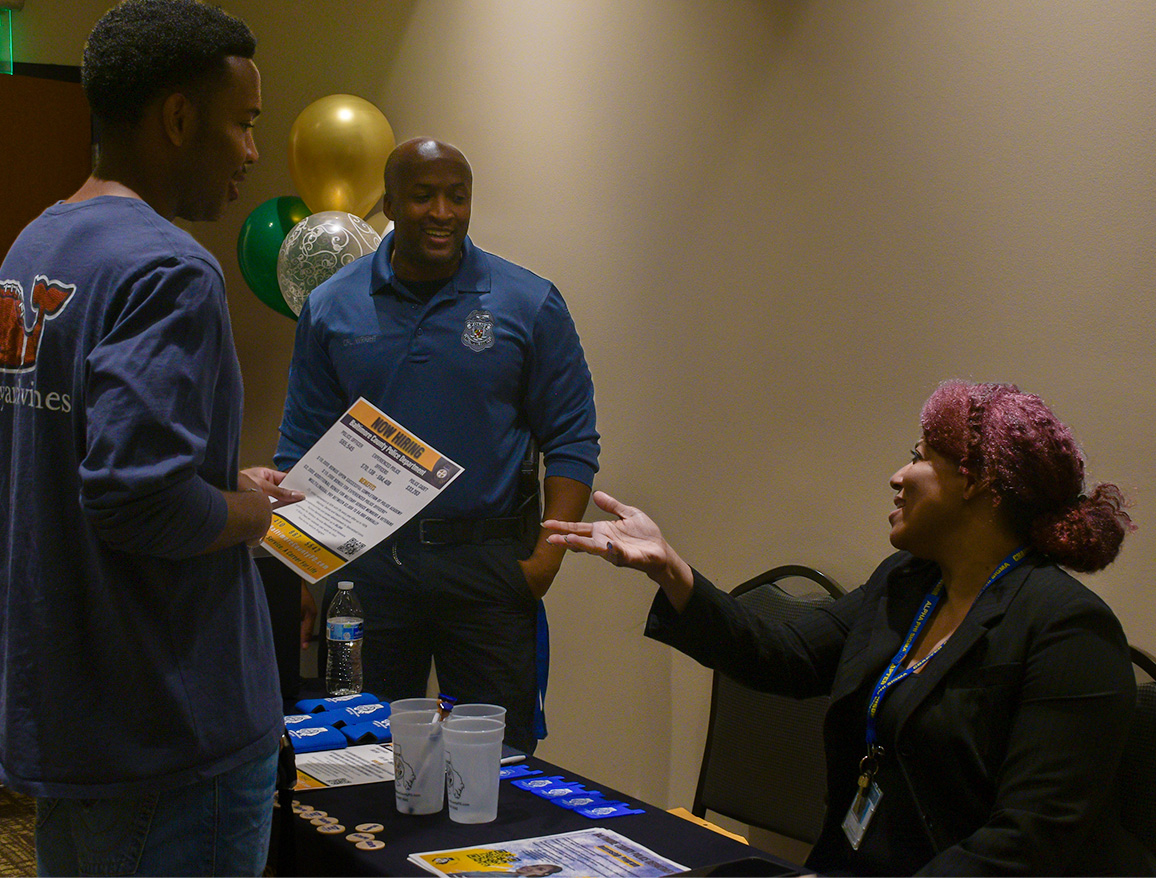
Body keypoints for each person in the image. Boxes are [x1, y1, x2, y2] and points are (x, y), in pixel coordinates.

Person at [545, 380, 1155, 876]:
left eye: (919, 457)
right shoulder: (908, 584)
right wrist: (670, 568)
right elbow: (779, 654)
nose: (896, 475)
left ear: (977, 481)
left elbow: (1026, 844)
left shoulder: (1069, 631)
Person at [0, 1, 301, 874]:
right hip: (171, 733)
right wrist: (252, 513)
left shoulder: (36, 246)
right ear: (178, 117)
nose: (250, 153)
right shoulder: (169, 267)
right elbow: (136, 498)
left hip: (77, 716)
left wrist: (214, 474)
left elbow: (79, 457)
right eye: (243, 124)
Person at [276, 138, 599, 753]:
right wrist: (296, 571)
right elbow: (301, 446)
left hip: (488, 569)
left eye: (457, 196)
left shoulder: (528, 303)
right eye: (423, 196)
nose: (442, 212)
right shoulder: (331, 306)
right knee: (359, 755)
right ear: (391, 205)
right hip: (368, 571)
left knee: (499, 762)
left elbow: (573, 440)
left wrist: (543, 562)